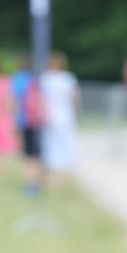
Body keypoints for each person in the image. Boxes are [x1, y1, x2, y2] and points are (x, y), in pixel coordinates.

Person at [40, 51, 80, 182]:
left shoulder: (45, 78)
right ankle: (58, 174)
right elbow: (74, 99)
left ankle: (51, 173)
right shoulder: (67, 78)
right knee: (63, 144)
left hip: (49, 116)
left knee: (50, 144)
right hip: (64, 115)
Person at [10, 56, 43, 194]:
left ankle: (27, 183)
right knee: (35, 154)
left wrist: (14, 121)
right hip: (35, 120)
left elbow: (15, 100)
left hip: (23, 120)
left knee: (26, 155)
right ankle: (34, 183)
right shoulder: (34, 79)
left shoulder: (16, 79)